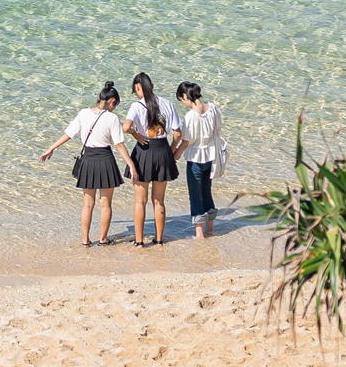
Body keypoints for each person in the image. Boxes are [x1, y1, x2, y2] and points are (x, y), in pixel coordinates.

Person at [39, 82, 136, 246]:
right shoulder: (112, 118)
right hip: (105, 160)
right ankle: (103, 239)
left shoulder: (83, 113)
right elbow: (119, 144)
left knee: (87, 205)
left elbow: (68, 134)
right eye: (115, 105)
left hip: (88, 160)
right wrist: (131, 165)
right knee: (105, 204)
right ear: (112, 101)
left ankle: (85, 240)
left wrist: (51, 148)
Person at [125, 72, 180, 246]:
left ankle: (139, 241)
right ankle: (159, 239)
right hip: (162, 150)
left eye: (136, 90)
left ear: (138, 88)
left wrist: (136, 134)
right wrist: (171, 150)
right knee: (159, 201)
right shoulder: (167, 103)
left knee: (140, 201)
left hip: (144, 151)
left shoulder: (136, 106)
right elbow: (178, 133)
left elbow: (125, 127)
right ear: (152, 86)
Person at [174, 82, 223, 238]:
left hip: (195, 159)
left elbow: (186, 142)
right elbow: (218, 130)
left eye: (182, 101)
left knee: (195, 196)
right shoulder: (213, 108)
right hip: (211, 157)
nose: (184, 104)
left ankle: (199, 234)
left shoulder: (190, 116)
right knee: (207, 191)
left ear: (185, 96)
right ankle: (210, 229)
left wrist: (174, 157)